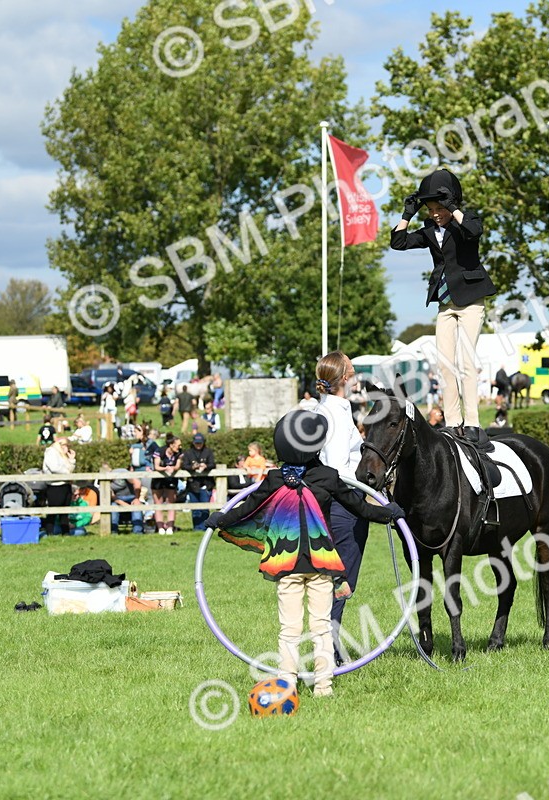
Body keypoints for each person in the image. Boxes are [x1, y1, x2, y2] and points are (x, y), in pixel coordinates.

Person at [205, 410, 403, 698]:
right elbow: (360, 508)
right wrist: (389, 513)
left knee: (289, 629)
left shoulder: (275, 479)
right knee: (321, 627)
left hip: (287, 564)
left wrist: (220, 519)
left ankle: (286, 683)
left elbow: (247, 508)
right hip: (322, 563)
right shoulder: (327, 476)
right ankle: (323, 687)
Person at [391, 169, 497, 450]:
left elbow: (474, 232)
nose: (436, 213)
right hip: (445, 303)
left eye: (440, 208)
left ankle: (473, 422)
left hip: (471, 300)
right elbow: (398, 243)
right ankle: (453, 422)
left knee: (465, 361)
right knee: (445, 363)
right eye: (432, 209)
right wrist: (408, 214)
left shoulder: (466, 221)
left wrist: (453, 207)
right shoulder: (428, 230)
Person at [313, 352, 374, 661]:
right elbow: (336, 467)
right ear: (346, 379)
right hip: (344, 502)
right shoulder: (335, 413)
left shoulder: (328, 409)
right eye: (353, 371)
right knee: (341, 580)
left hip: (340, 501)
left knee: (335, 579)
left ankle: (328, 645)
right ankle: (329, 649)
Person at [180, 433, 216, 530]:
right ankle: (197, 528)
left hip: (206, 484)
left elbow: (213, 464)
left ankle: (205, 528)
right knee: (195, 508)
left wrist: (206, 466)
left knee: (205, 508)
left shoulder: (208, 452)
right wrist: (192, 467)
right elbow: (184, 466)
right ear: (193, 442)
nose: (198, 445)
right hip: (193, 484)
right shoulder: (188, 453)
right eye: (197, 443)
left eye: (200, 443)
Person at [42, 437, 76, 535]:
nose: (66, 448)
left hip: (65, 484)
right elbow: (54, 468)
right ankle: (49, 533)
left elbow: (70, 469)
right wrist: (67, 472)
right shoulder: (51, 452)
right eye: (65, 445)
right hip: (55, 485)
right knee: (53, 512)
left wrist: (71, 460)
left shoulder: (63, 455)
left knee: (64, 513)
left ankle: (65, 533)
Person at [152, 434, 183, 534]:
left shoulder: (179, 453)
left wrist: (173, 468)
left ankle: (170, 527)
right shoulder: (159, 451)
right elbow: (156, 466)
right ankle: (160, 527)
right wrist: (166, 468)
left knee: (171, 502)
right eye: (178, 445)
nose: (180, 447)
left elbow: (177, 466)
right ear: (171, 445)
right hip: (158, 479)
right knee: (158, 503)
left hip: (171, 479)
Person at [102, 462, 144, 533]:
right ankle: (113, 531)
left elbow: (137, 482)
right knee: (113, 507)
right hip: (117, 499)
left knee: (137, 506)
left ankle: (138, 531)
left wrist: (137, 499)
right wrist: (124, 504)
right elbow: (113, 497)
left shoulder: (121, 472)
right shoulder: (104, 482)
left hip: (132, 496)